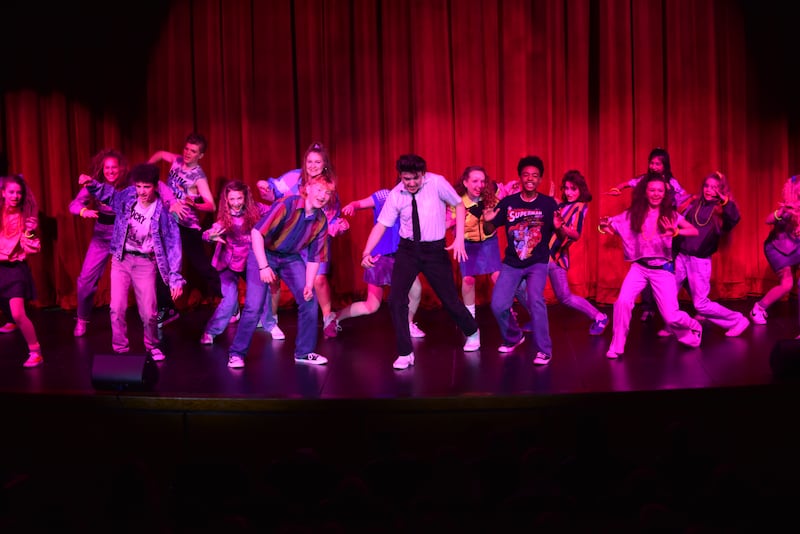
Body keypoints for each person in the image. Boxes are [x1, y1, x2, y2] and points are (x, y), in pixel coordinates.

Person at [361, 154, 479, 370]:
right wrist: (366, 251)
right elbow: (381, 225)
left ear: (423, 175)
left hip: (434, 250)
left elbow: (459, 205)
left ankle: (472, 331)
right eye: (407, 179)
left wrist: (459, 238)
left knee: (450, 300)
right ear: (400, 177)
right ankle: (405, 353)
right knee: (396, 300)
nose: (412, 183)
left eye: (415, 178)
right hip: (407, 250)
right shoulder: (396, 194)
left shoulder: (437, 183)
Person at [226, 175, 334, 369]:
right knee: (253, 305)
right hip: (263, 252)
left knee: (309, 300)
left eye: (327, 193)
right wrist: (263, 266)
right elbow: (256, 233)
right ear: (307, 189)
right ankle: (236, 353)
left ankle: (304, 351)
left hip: (290, 257)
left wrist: (309, 284)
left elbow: (314, 257)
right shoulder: (288, 204)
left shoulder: (320, 221)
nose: (323, 196)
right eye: (318, 190)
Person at [80, 163, 184, 360]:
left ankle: (152, 345)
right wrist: (92, 184)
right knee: (116, 308)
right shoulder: (128, 196)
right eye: (138, 186)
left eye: (146, 187)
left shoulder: (162, 210)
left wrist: (175, 277)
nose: (141, 191)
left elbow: (173, 243)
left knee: (149, 313)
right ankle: (120, 350)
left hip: (145, 263)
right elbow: (109, 194)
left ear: (155, 186)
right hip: (122, 260)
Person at [598, 171, 702, 359]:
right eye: (652, 190)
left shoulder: (670, 214)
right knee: (622, 302)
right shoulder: (634, 214)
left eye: (659, 190)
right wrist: (602, 227)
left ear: (664, 193)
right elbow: (613, 228)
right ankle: (617, 346)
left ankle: (694, 327)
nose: (656, 193)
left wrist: (676, 232)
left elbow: (693, 231)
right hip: (639, 268)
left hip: (662, 270)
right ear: (645, 192)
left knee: (671, 317)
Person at [257, 142, 349, 337]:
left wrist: (337, 226)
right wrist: (264, 186)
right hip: (290, 237)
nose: (313, 165)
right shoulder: (293, 177)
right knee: (275, 279)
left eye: (318, 162)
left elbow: (332, 217)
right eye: (310, 161)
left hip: (314, 238)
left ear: (325, 164)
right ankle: (271, 320)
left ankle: (327, 319)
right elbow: (273, 190)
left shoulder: (328, 185)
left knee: (319, 279)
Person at [483, 156, 558, 365]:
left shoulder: (548, 204)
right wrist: (487, 219)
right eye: (526, 175)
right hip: (512, 263)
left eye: (534, 175)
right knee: (498, 305)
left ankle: (544, 350)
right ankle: (514, 337)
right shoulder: (509, 203)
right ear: (520, 178)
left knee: (535, 300)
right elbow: (490, 229)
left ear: (540, 179)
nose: (530, 178)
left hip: (537, 262)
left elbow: (558, 230)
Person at [324, 187, 426, 338]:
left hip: (401, 256)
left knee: (416, 290)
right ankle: (335, 317)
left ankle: (407, 324)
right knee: (371, 306)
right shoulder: (384, 195)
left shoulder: (416, 202)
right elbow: (359, 203)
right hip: (379, 257)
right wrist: (352, 206)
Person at [606, 147, 689, 322]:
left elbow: (683, 197)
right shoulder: (644, 180)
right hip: (647, 225)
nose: (654, 166)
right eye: (651, 162)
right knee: (644, 264)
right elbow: (628, 183)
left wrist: (689, 204)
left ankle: (673, 311)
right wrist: (617, 188)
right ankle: (649, 306)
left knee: (666, 268)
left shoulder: (672, 183)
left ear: (665, 165)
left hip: (666, 228)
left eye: (658, 163)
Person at [663, 171, 748, 337]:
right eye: (707, 186)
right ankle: (672, 325)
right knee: (668, 293)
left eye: (714, 187)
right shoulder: (695, 204)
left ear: (721, 191)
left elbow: (734, 218)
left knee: (700, 304)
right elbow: (678, 217)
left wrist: (725, 201)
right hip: (682, 256)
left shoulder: (721, 211)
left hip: (699, 261)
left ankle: (738, 320)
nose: (709, 190)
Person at [199, 180, 285, 344]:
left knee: (263, 292)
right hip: (228, 262)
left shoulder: (256, 209)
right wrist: (209, 236)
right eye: (232, 199)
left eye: (239, 198)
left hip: (250, 260)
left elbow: (277, 211)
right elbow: (210, 231)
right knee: (230, 299)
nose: (236, 203)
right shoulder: (225, 217)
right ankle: (211, 331)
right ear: (227, 200)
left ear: (245, 197)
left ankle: (269, 324)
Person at [148, 132, 219, 327]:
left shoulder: (199, 177)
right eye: (187, 148)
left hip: (187, 225)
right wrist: (147, 170)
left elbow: (211, 205)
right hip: (169, 220)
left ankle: (227, 300)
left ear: (200, 155)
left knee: (200, 265)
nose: (187, 153)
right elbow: (161, 154)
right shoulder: (177, 160)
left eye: (193, 151)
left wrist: (194, 204)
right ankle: (167, 309)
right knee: (162, 264)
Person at [69, 149, 129, 337]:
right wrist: (83, 211)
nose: (110, 171)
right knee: (85, 280)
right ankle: (82, 318)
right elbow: (74, 205)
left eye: (114, 168)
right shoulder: (93, 185)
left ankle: (153, 319)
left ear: (121, 169)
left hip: (124, 237)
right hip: (101, 237)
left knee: (141, 277)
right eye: (106, 168)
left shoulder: (129, 186)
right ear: (102, 170)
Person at [548, 170, 609, 335]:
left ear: (580, 189)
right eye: (566, 188)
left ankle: (600, 316)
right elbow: (554, 203)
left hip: (557, 257)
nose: (569, 192)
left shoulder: (580, 207)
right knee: (528, 286)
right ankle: (535, 321)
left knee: (565, 297)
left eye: (573, 189)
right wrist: (550, 197)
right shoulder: (563, 205)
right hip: (545, 255)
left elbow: (576, 234)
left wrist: (560, 226)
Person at [446, 165, 503, 322]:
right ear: (465, 182)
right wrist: (458, 217)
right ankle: (469, 318)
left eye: (482, 181)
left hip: (489, 241)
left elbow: (506, 191)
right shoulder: (457, 201)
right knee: (468, 279)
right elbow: (445, 223)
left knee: (498, 276)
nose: (480, 185)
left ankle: (506, 311)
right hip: (468, 243)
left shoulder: (491, 195)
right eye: (475, 181)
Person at [0, 174, 43, 367]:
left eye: (19, 192)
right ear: (3, 193)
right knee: (10, 313)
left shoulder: (26, 218)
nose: (15, 196)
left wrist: (31, 232)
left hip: (16, 269)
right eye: (11, 192)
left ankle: (35, 352)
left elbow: (31, 247)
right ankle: (9, 321)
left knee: (18, 313)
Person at [750, 174, 800, 327]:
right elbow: (768, 219)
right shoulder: (789, 206)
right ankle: (758, 308)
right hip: (778, 250)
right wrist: (781, 211)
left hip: (796, 246)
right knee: (787, 284)